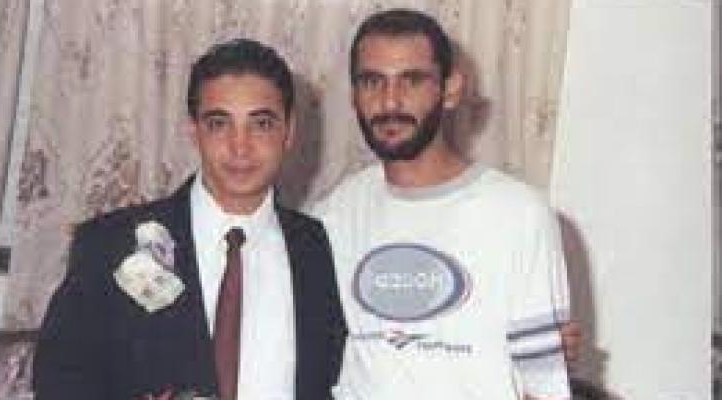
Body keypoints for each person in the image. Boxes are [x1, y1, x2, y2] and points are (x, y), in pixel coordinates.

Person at [34, 38, 346, 400]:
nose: (240, 146)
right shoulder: (109, 245)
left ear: (289, 132)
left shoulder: (317, 247)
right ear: (193, 130)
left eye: (261, 124)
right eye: (219, 123)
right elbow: (60, 383)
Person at [312, 9, 573, 399]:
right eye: (372, 81)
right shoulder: (333, 216)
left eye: (412, 81)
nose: (389, 101)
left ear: (451, 90)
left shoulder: (519, 215)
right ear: (353, 95)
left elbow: (544, 386)